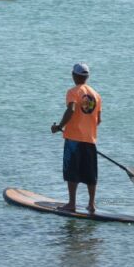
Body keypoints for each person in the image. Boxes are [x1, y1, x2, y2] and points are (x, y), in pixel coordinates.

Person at [51, 63, 102, 213]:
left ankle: (72, 203)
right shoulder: (96, 95)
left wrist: (59, 126)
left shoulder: (73, 92)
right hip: (90, 140)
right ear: (87, 77)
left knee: (72, 170)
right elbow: (98, 120)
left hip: (74, 139)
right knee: (90, 173)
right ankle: (91, 205)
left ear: (74, 75)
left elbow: (71, 109)